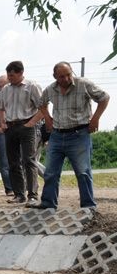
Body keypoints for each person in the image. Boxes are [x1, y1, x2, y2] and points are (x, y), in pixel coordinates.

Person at [35, 61, 110, 210]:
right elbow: (41, 103)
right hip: (56, 135)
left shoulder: (83, 84)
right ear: (55, 76)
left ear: (72, 72)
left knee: (83, 172)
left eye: (68, 75)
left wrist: (95, 119)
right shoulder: (51, 89)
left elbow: (104, 97)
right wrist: (48, 119)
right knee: (50, 172)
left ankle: (88, 206)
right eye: (61, 76)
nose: (66, 79)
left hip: (79, 134)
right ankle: (48, 203)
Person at [0, 60, 43, 205]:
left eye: (12, 75)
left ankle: (33, 195)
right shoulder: (6, 89)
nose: (10, 78)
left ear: (21, 73)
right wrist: (3, 122)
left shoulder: (32, 86)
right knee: (13, 162)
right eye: (8, 75)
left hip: (27, 126)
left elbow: (43, 108)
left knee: (29, 160)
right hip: (11, 127)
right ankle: (19, 194)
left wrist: (31, 123)